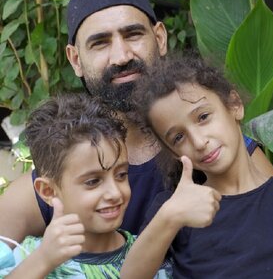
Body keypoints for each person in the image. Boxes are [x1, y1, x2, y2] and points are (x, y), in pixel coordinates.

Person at [0, 0, 273, 244]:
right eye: (101, 43)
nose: (121, 56)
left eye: (133, 34)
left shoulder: (217, 147)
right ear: (75, 60)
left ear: (159, 38)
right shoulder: (65, 168)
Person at [120, 53, 273, 279]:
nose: (198, 142)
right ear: (173, 153)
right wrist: (170, 215)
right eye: (178, 138)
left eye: (203, 117)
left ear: (234, 105)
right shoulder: (173, 208)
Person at [0, 92, 172, 278]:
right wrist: (43, 260)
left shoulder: (151, 257)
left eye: (121, 175)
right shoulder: (27, 257)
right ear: (48, 191)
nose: (114, 193)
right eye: (93, 182)